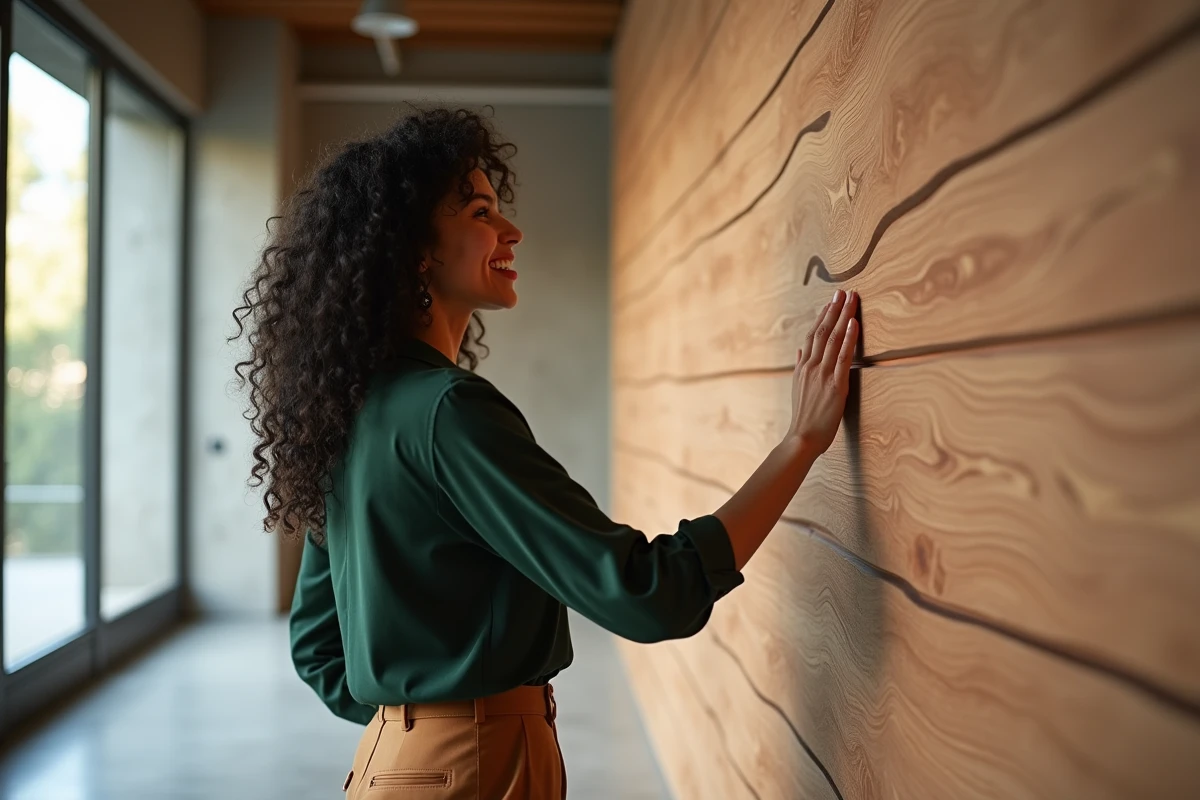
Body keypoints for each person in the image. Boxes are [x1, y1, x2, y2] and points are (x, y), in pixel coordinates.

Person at [230, 106, 859, 799]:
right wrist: (800, 444)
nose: (511, 230)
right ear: (417, 249)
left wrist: (415, 719)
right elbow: (650, 595)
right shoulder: (448, 413)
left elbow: (318, 648)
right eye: (479, 213)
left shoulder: (349, 410)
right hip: (478, 768)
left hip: (387, 767)